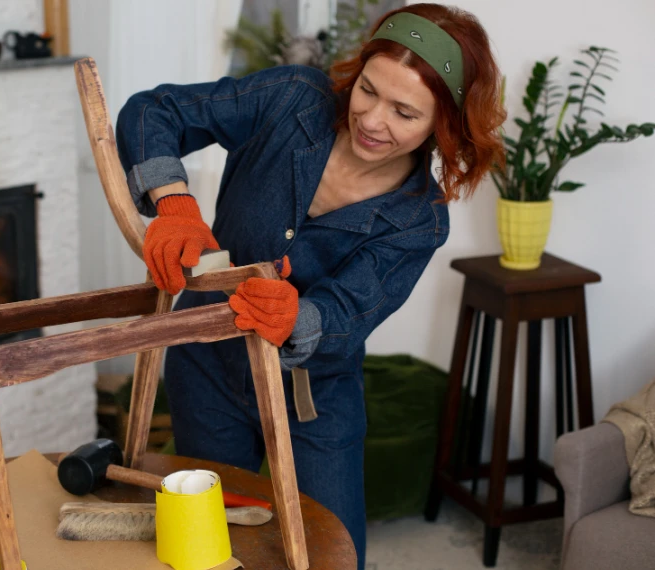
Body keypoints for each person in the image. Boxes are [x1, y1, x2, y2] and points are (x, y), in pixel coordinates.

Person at [115, 3, 505, 568]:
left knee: (332, 552)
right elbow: (154, 111)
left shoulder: (420, 219)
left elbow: (350, 309)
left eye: (405, 112)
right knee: (213, 541)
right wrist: (173, 203)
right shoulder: (293, 97)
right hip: (207, 368)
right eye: (368, 90)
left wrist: (297, 318)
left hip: (315, 396)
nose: (372, 120)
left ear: (443, 126)